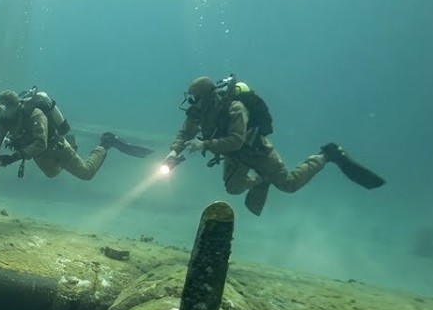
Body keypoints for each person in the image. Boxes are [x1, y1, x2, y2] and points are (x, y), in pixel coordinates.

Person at [163, 75, 383, 215]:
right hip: (234, 157)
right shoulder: (196, 113)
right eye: (190, 98)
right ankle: (262, 180)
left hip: (257, 151)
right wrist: (173, 153)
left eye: (195, 97)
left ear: (209, 96)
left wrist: (204, 145)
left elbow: (237, 140)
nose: (192, 102)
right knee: (233, 189)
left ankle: (327, 154)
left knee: (289, 185)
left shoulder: (235, 108)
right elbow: (185, 134)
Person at [0, 89, 144, 180]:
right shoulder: (5, 119)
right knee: (52, 173)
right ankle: (71, 150)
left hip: (55, 145)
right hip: (38, 153)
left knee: (85, 173)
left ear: (14, 107)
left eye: (2, 109)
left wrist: (15, 157)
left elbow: (41, 142)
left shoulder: (35, 114)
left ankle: (106, 143)